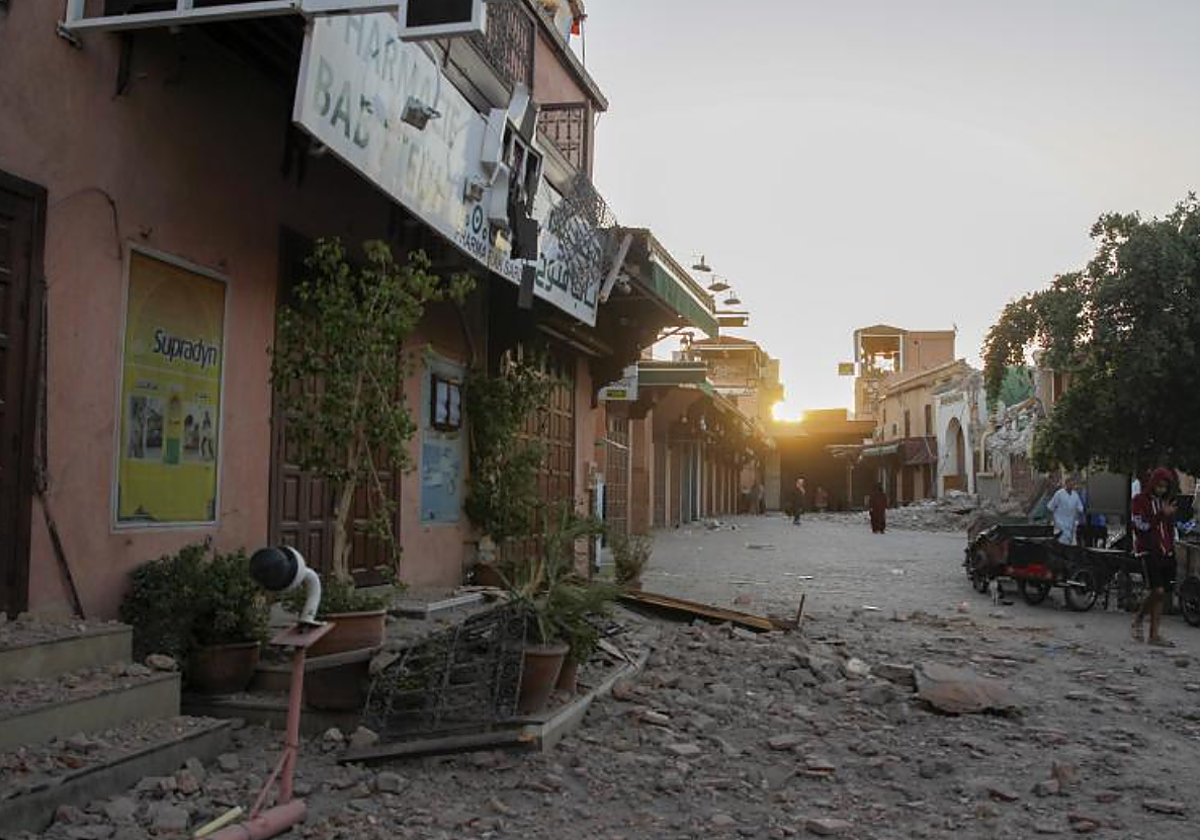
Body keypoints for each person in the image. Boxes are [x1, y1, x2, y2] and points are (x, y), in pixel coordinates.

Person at [1131, 467, 1178, 646]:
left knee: (1161, 594)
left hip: (1165, 551)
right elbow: (1141, 526)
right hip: (1148, 550)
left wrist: (1170, 548)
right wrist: (1160, 515)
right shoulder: (1139, 500)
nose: (1161, 490)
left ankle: (1154, 634)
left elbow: (1168, 529)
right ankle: (1138, 618)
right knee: (1156, 590)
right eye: (1159, 486)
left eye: (1165, 487)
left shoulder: (1165, 502)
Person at [1047, 474, 1085, 546]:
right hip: (1060, 524)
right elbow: (1050, 507)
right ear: (1066, 484)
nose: (1071, 485)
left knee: (1071, 545)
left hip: (1071, 525)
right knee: (1062, 544)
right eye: (1069, 483)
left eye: (1072, 483)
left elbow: (1080, 509)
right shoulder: (1059, 494)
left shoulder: (1075, 495)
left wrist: (1078, 518)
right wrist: (1053, 521)